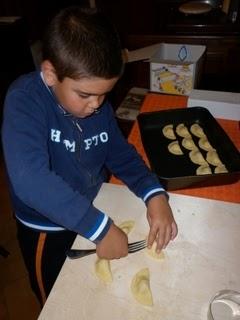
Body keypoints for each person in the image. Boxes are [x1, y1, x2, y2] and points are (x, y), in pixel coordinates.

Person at [1, 6, 178, 306]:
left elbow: (119, 153)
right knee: (60, 304)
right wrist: (100, 228)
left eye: (104, 94)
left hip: (93, 211)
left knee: (95, 300)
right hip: (49, 231)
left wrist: (154, 193)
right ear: (50, 75)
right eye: (84, 95)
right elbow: (29, 179)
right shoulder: (24, 100)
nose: (96, 105)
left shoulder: (95, 105)